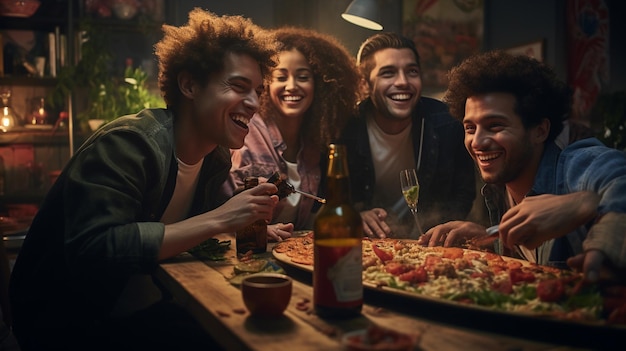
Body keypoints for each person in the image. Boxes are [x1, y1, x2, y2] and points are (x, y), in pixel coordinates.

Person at [9, 9, 278, 350]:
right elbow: (93, 249)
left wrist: (232, 230)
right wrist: (219, 219)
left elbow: (180, 236)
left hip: (142, 310)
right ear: (189, 84)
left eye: (258, 90)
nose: (255, 103)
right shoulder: (129, 143)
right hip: (67, 323)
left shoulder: (215, 159)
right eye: (240, 86)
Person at [419, 50, 626, 282]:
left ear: (540, 130)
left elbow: (620, 177)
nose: (477, 141)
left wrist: (583, 203)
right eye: (470, 128)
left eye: (495, 126)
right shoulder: (498, 190)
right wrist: (491, 238)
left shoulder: (575, 165)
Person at [224, 27, 360, 238]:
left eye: (303, 77)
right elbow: (221, 212)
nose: (292, 86)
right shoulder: (247, 134)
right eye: (281, 77)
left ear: (319, 85)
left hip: (288, 257)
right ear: (266, 84)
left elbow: (300, 220)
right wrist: (255, 229)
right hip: (245, 257)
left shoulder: (314, 146)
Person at [339, 32, 476, 239]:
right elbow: (327, 199)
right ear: (365, 84)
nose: (403, 82)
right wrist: (353, 216)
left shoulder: (448, 123)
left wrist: (438, 234)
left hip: (427, 247)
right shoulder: (344, 128)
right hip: (362, 245)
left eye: (412, 71)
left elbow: (462, 193)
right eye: (388, 73)